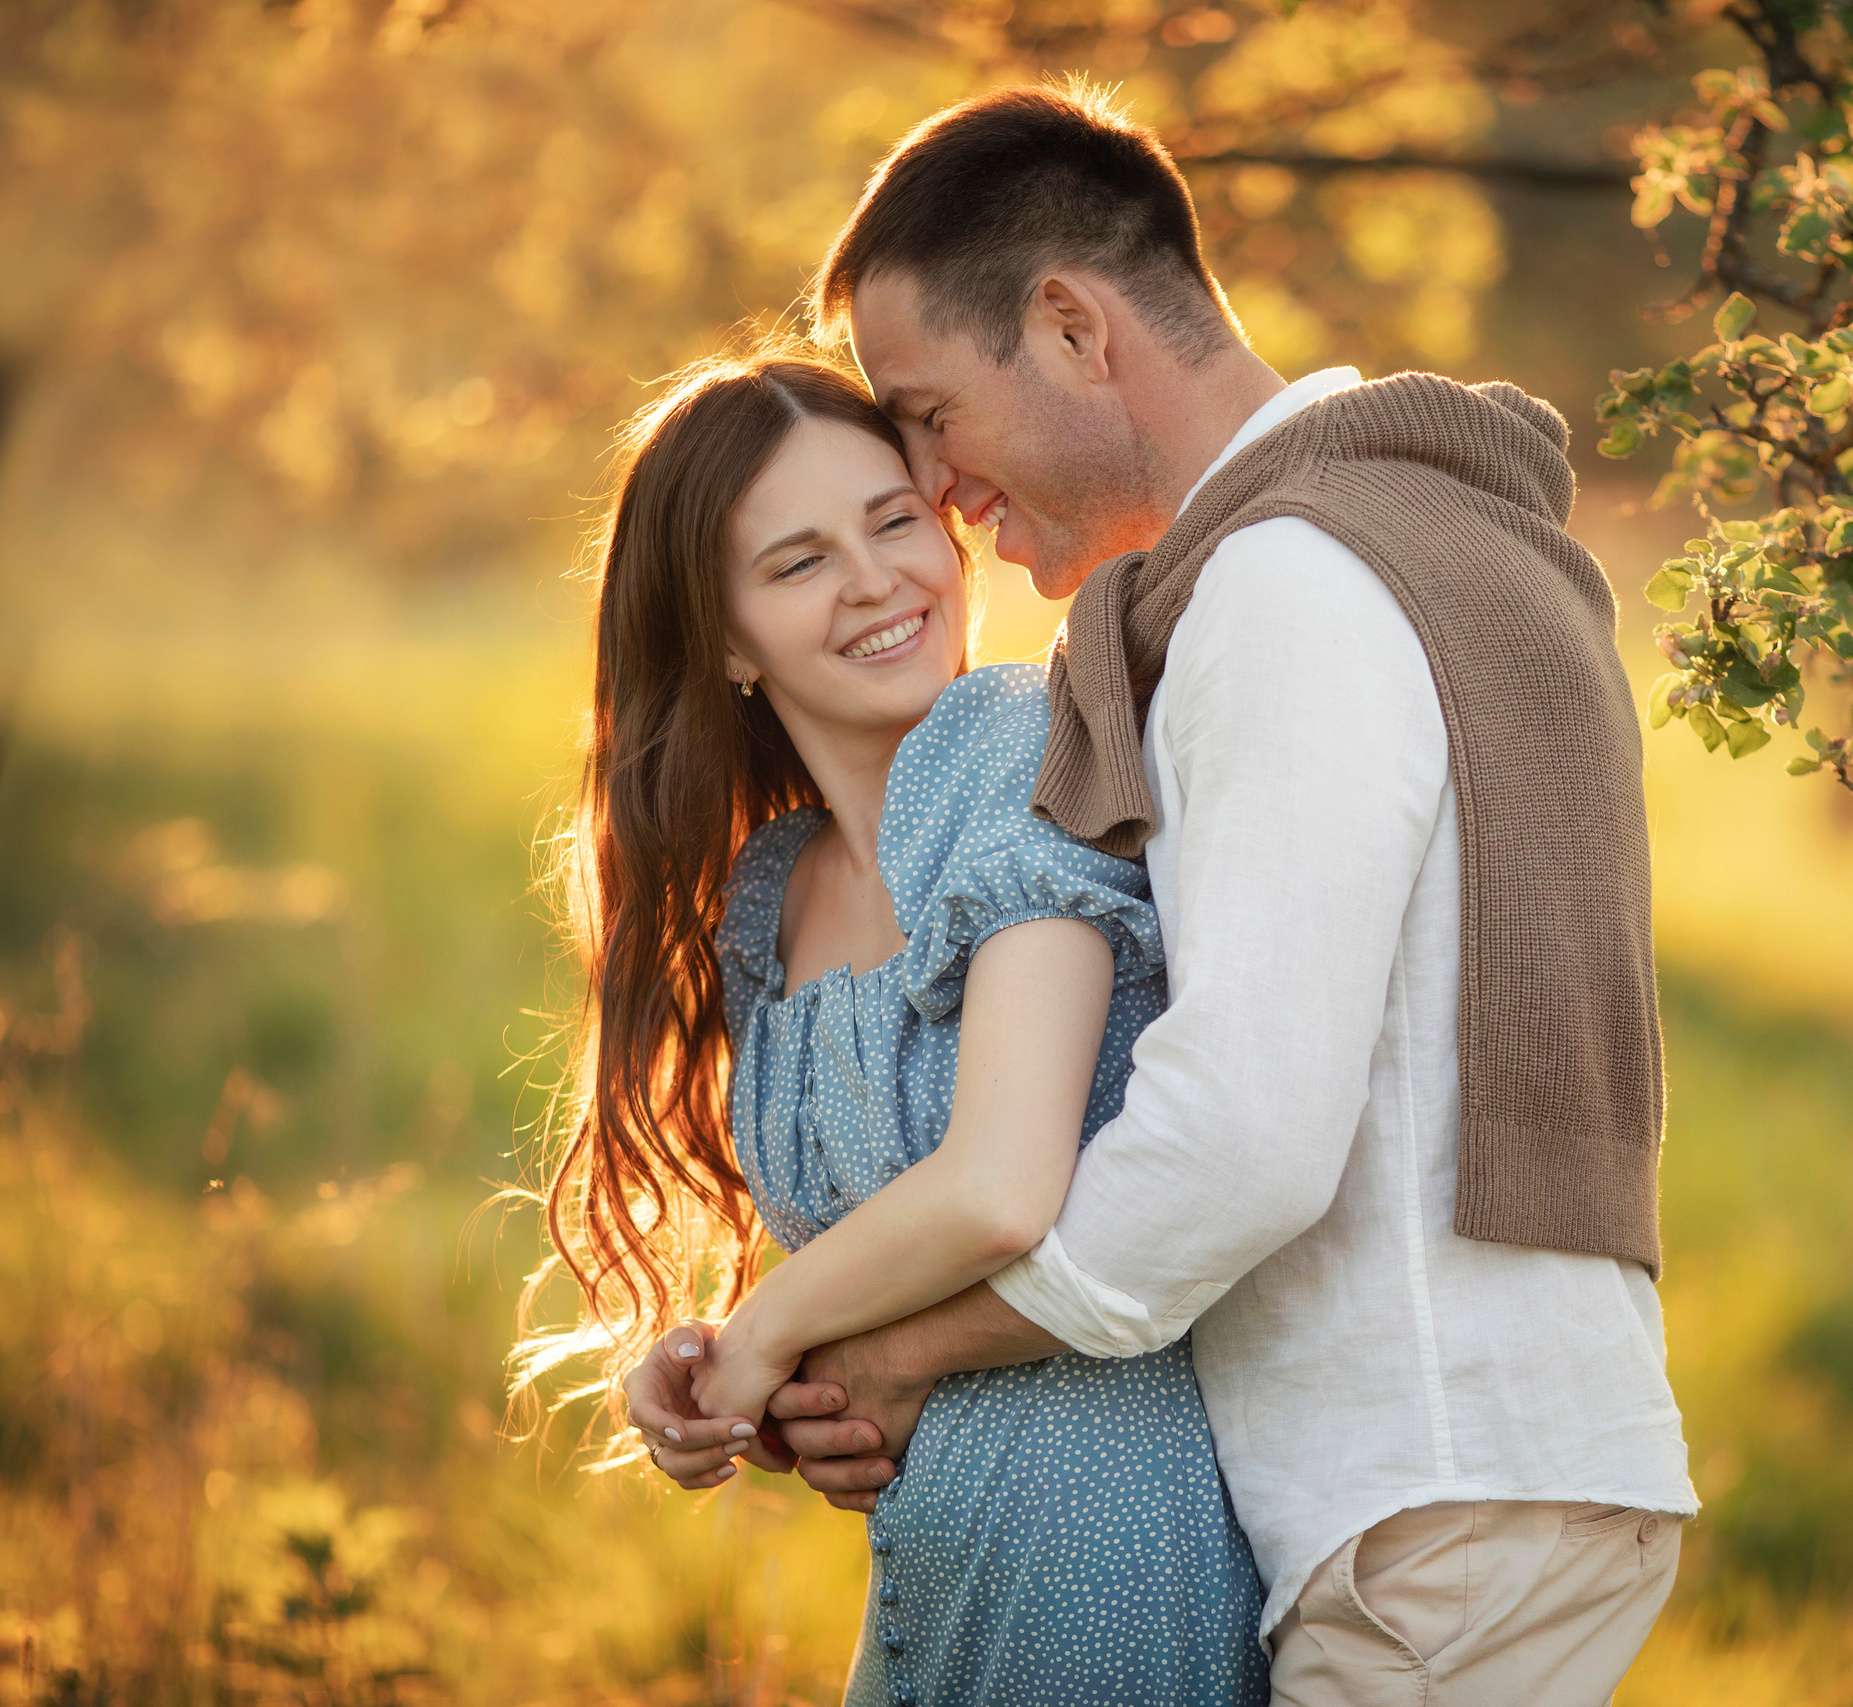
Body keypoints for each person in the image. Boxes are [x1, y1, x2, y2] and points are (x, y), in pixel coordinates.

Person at [733, 84, 1699, 1704]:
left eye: (935, 415)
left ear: (1072, 328)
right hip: (1490, 1471)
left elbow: (1240, 1136)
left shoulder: (1285, 588)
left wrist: (895, 1357)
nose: (939, 486)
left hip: (1426, 1495)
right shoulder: (1423, 534)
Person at [534, 349, 1269, 1705]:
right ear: (727, 643)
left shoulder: (1014, 749)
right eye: (799, 562)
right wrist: (731, 1376)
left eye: (893, 522)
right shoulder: (772, 895)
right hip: (925, 1567)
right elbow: (870, 1260)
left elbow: (997, 1192)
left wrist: (764, 1338)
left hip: (1107, 1536)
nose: (878, 580)